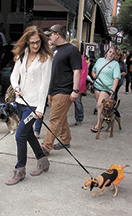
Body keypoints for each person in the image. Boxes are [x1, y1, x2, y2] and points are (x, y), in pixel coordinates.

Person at [5, 26, 53, 185]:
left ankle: (19, 171)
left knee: (20, 135)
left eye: (38, 42)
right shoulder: (22, 55)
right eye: (32, 43)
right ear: (27, 42)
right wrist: (17, 87)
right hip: (20, 102)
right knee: (28, 134)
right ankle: (42, 161)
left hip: (33, 106)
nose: (35, 45)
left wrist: (40, 108)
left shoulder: (45, 58)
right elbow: (14, 76)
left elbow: (44, 85)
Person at [40, 24, 82, 155]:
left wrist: (75, 90)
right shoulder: (54, 49)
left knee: (54, 120)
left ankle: (45, 147)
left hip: (64, 91)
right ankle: (65, 139)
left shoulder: (72, 50)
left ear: (57, 34)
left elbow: (77, 71)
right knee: (61, 118)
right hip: (52, 90)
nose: (49, 37)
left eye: (50, 34)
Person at [90, 46, 120, 133]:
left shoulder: (115, 64)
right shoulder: (100, 60)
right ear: (107, 52)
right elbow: (93, 70)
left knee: (100, 104)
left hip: (107, 87)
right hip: (97, 85)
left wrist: (113, 89)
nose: (111, 54)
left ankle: (99, 123)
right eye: (110, 52)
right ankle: (102, 121)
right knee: (99, 106)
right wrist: (93, 74)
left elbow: (116, 78)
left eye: (113, 53)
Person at [70, 38, 87, 126]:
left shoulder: (82, 59)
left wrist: (76, 88)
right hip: (68, 85)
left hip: (77, 87)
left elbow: (83, 75)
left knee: (78, 103)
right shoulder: (69, 57)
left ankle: (79, 118)